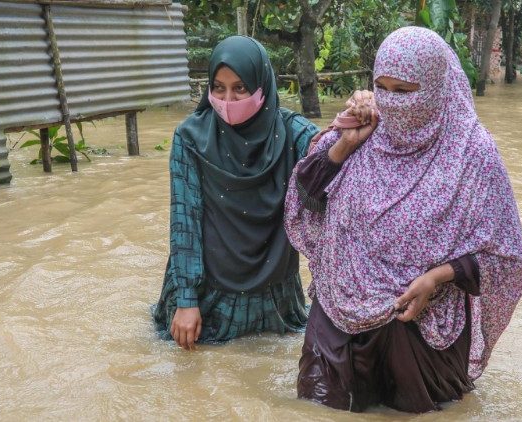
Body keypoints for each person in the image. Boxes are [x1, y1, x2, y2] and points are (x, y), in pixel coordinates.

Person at [285, 27, 522, 414]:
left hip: (419, 328)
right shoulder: (363, 130)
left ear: (435, 86)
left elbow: (505, 257)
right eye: (382, 88)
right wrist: (346, 142)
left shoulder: (473, 152)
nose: (392, 103)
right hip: (336, 311)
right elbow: (305, 197)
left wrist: (437, 277)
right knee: (317, 410)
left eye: (405, 91)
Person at [152, 36, 374, 350]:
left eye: (240, 88)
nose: (227, 99)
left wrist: (362, 110)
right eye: (218, 88)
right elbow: (184, 221)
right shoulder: (190, 137)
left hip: (275, 299)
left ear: (262, 86)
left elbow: (329, 158)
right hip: (205, 299)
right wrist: (186, 300)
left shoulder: (291, 131)